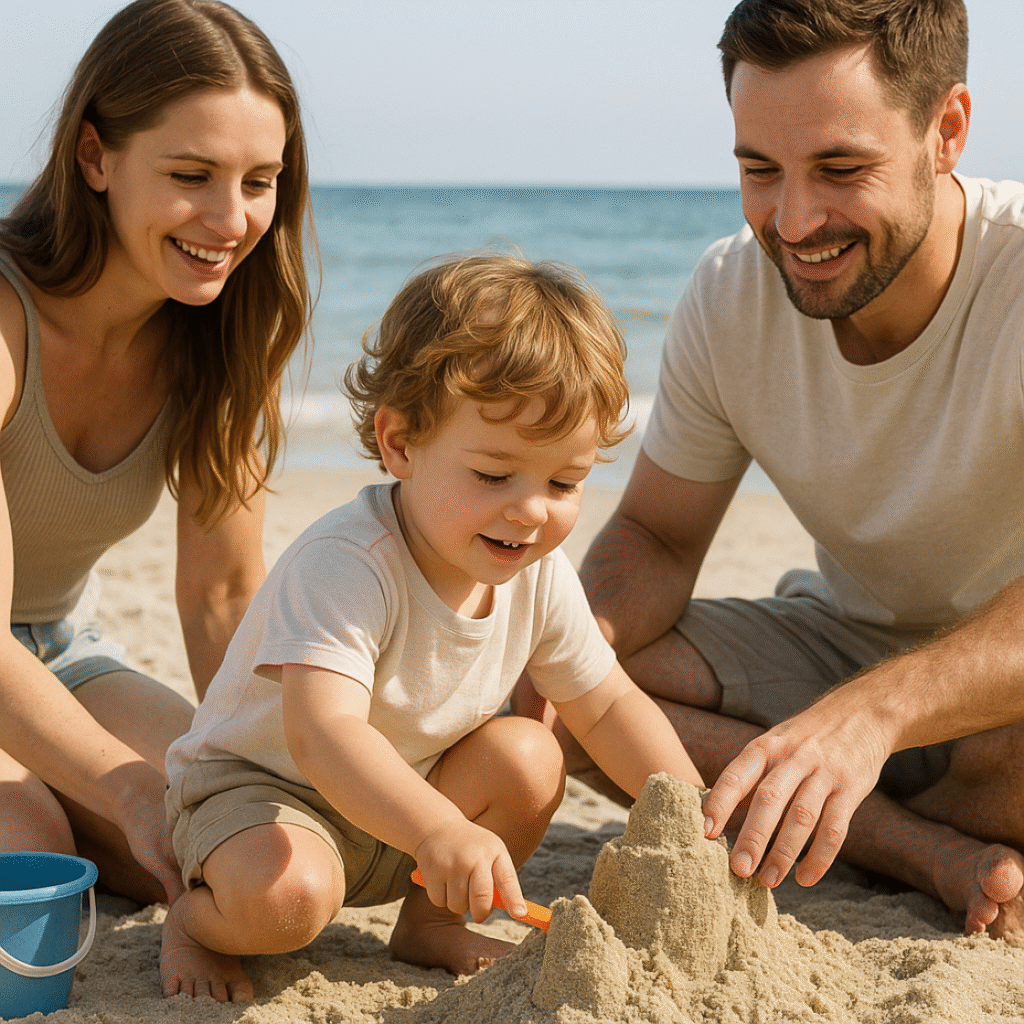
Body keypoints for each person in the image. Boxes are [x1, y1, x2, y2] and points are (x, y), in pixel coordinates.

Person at [526, 0, 1024, 942]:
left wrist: (871, 719)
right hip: (839, 644)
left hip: (999, 680)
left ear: (946, 130)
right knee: (584, 680)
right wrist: (568, 651)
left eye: (841, 169)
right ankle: (928, 851)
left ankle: (907, 803)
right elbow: (656, 537)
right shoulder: (728, 293)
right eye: (759, 170)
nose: (794, 222)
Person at [158, 252, 704, 1002]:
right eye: (493, 475)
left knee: (529, 754)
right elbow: (324, 735)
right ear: (400, 444)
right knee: (288, 904)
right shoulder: (348, 563)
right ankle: (193, 922)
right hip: (262, 797)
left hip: (401, 809)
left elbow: (608, 705)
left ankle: (430, 924)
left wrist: (686, 813)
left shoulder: (536, 572)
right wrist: (436, 831)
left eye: (564, 482)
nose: (531, 510)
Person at [0, 0, 314, 909]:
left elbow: (221, 598)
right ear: (94, 156)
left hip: (61, 652)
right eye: (192, 174)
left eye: (260, 182)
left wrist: (287, 763)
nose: (230, 219)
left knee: (243, 837)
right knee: (30, 845)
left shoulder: (223, 340)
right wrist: (126, 784)